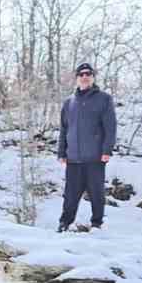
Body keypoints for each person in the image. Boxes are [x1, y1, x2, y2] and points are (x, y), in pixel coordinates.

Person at [56, 62, 117, 232]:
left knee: (96, 193)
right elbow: (64, 129)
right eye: (81, 74)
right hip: (73, 158)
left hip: (95, 157)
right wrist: (61, 152)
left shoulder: (104, 99)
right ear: (77, 78)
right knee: (70, 195)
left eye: (88, 74)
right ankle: (64, 223)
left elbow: (110, 127)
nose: (84, 77)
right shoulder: (69, 102)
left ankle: (97, 224)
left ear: (93, 77)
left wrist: (106, 150)